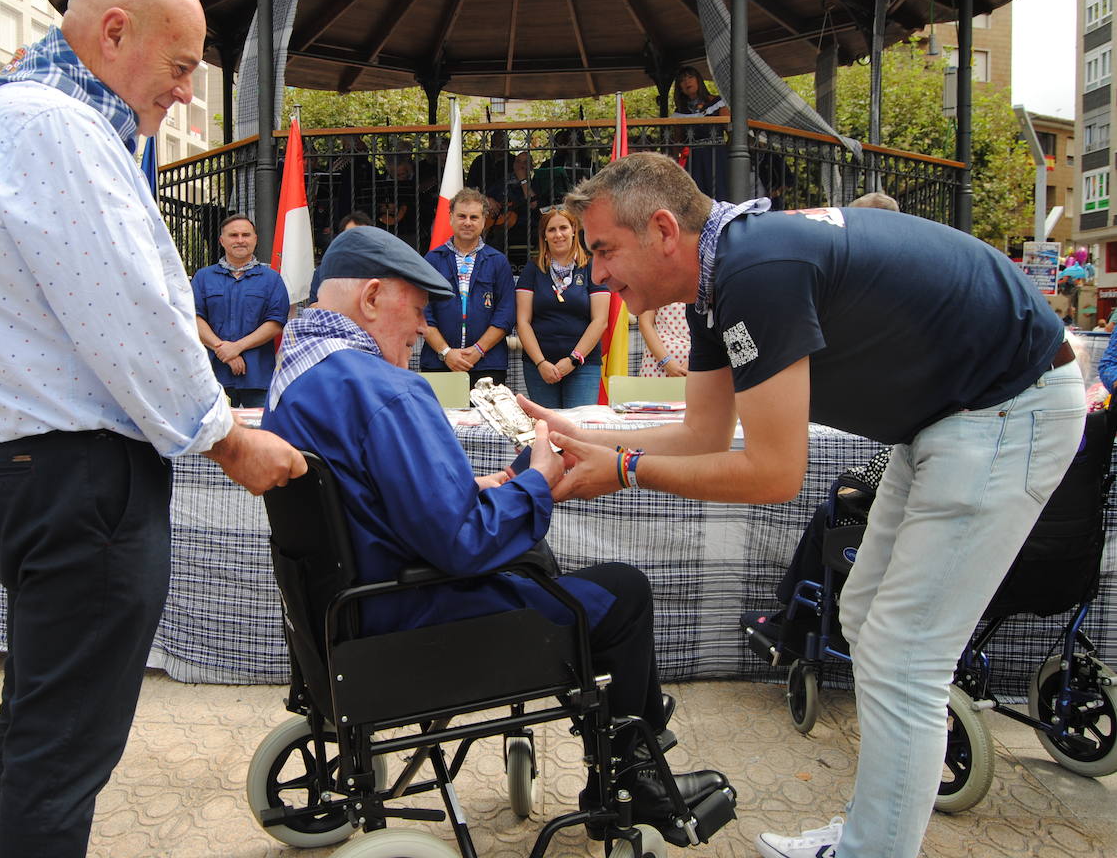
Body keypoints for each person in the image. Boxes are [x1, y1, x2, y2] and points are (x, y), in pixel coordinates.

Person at [524, 153, 1084, 858]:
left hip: (1008, 408)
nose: (597, 273)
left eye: (604, 249)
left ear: (664, 229)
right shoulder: (719, 274)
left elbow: (774, 473)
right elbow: (703, 431)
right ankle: (868, 836)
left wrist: (627, 470)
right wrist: (588, 432)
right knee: (866, 622)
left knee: (906, 655)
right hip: (953, 418)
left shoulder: (755, 272)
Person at [0, 0, 306, 858]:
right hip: (83, 480)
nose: (183, 92)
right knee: (62, 751)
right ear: (113, 34)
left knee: (41, 734)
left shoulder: (32, 118)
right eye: (179, 67)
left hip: (53, 475)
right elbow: (125, 306)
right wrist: (224, 439)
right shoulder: (48, 124)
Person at [262, 224, 731, 830]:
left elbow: (370, 501)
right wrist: (537, 481)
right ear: (372, 298)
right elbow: (464, 543)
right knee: (625, 592)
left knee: (556, 569)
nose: (421, 326)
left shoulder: (295, 379)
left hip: (343, 616)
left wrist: (487, 487)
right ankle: (631, 773)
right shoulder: (390, 390)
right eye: (418, 307)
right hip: (411, 617)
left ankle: (629, 753)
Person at [419, 188, 516, 387]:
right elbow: (422, 313)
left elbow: (505, 315)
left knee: (487, 419)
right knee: (441, 419)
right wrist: (446, 353)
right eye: (462, 216)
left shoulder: (498, 262)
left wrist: (478, 350)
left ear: (483, 220)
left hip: (487, 364)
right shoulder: (432, 260)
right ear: (451, 218)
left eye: (474, 217)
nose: (467, 222)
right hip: (439, 364)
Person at [192, 214, 290, 408]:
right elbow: (194, 318)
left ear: (255, 239)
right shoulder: (203, 278)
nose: (240, 240)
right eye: (233, 235)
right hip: (211, 375)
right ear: (222, 240)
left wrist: (237, 348)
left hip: (258, 377)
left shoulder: (272, 279)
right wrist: (223, 349)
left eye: (245, 235)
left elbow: (276, 323)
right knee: (213, 436)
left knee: (259, 434)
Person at [514, 206, 608, 408]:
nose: (558, 235)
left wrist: (573, 360)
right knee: (546, 428)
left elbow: (600, 321)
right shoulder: (532, 270)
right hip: (539, 368)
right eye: (551, 230)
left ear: (574, 230)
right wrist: (541, 363)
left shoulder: (592, 268)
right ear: (544, 236)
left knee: (579, 429)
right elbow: (522, 322)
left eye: (563, 228)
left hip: (583, 365)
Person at [672, 66, 729, 201]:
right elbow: (677, 141)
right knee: (697, 197)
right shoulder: (680, 111)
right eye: (682, 80)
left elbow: (731, 131)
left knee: (718, 194)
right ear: (679, 87)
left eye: (690, 77)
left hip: (716, 155)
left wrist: (725, 152)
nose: (687, 82)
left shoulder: (717, 102)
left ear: (698, 80)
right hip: (695, 158)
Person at [637, 305, 690, 378]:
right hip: (657, 363)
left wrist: (693, 361)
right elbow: (645, 323)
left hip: (700, 361)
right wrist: (666, 362)